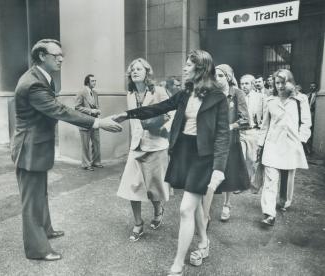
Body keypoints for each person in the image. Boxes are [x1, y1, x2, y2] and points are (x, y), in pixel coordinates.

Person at [113, 50, 230, 276]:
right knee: (192, 202)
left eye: (188, 65)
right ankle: (204, 242)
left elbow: (223, 135)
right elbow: (158, 108)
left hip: (203, 157)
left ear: (201, 68)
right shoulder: (185, 93)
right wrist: (127, 114)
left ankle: (178, 264)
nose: (184, 68)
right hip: (183, 152)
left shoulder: (217, 97)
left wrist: (219, 168)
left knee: (186, 208)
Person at [11, 39, 122, 261]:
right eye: (56, 55)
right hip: (29, 148)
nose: (61, 58)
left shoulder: (40, 77)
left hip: (36, 146)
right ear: (42, 56)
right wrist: (97, 123)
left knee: (39, 193)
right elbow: (58, 110)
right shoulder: (33, 83)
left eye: (62, 55)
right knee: (32, 200)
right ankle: (37, 249)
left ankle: (46, 229)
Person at [116, 58, 171, 242]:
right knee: (133, 185)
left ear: (147, 72)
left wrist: (159, 126)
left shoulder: (159, 91)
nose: (135, 71)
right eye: (132, 69)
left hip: (156, 145)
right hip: (137, 146)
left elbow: (171, 114)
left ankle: (158, 210)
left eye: (139, 69)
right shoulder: (130, 94)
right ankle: (138, 224)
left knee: (154, 188)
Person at [257, 69, 311, 226]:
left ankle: (284, 202)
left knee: (287, 179)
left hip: (291, 145)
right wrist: (260, 144)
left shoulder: (300, 100)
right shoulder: (270, 101)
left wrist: (301, 140)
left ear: (290, 82)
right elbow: (265, 125)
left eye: (283, 82)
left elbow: (306, 122)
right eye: (277, 83)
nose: (280, 86)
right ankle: (269, 213)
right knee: (270, 179)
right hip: (272, 145)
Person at [202, 64, 250, 223]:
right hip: (211, 140)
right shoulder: (210, 94)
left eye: (221, 75)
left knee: (228, 172)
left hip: (230, 140)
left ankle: (227, 204)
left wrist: (228, 126)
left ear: (228, 77)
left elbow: (245, 120)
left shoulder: (237, 94)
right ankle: (205, 211)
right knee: (209, 173)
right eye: (215, 75)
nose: (217, 78)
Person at [239, 74, 263, 191]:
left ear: (253, 85)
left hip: (253, 132)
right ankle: (241, 183)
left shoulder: (260, 97)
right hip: (241, 132)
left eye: (246, 83)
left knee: (252, 159)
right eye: (242, 84)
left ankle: (252, 182)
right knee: (240, 158)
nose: (244, 86)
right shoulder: (238, 97)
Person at [75, 74, 103, 170]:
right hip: (84, 122)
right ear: (87, 82)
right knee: (85, 145)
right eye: (93, 81)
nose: (95, 82)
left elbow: (97, 105)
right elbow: (77, 107)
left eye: (95, 81)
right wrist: (91, 111)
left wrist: (98, 110)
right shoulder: (81, 92)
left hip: (95, 121)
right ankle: (86, 164)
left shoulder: (95, 93)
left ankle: (96, 162)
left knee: (96, 142)